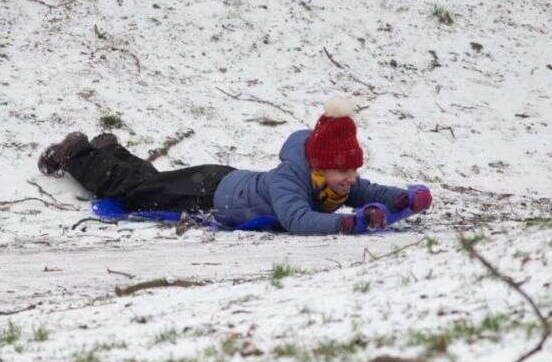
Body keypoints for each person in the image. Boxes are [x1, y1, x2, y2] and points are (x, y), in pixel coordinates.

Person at [37, 97, 432, 235]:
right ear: (320, 166)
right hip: (210, 192)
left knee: (150, 182)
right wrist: (349, 223)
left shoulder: (338, 183)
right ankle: (78, 154)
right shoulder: (290, 180)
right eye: (343, 171)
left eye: (352, 172)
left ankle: (110, 151)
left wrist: (404, 199)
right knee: (133, 193)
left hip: (222, 180)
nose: (351, 179)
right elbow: (296, 219)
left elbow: (373, 192)